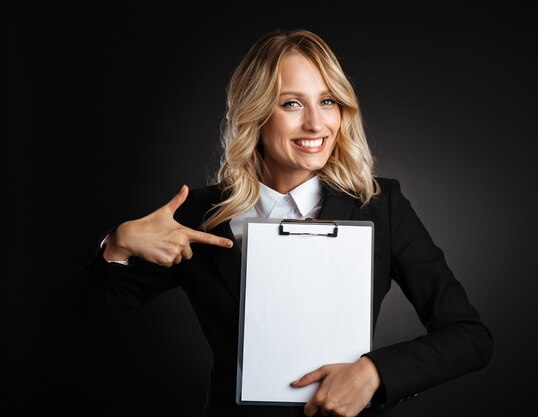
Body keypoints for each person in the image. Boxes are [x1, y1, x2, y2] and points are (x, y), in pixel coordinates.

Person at [76, 28, 493, 417]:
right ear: (255, 113)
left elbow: (469, 337)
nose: (316, 123)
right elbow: (87, 317)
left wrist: (375, 372)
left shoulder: (380, 206)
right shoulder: (196, 216)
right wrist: (118, 244)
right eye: (292, 103)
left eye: (327, 101)